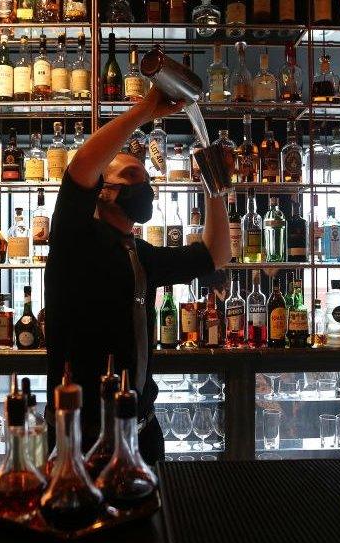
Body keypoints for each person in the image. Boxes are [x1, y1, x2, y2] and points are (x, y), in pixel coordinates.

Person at [44, 87, 230, 464]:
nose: (144, 187)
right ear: (103, 191)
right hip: (82, 441)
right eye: (131, 175)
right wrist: (145, 111)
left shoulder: (139, 254)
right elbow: (81, 166)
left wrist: (214, 182)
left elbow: (217, 254)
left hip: (143, 433)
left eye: (146, 179)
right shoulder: (74, 240)